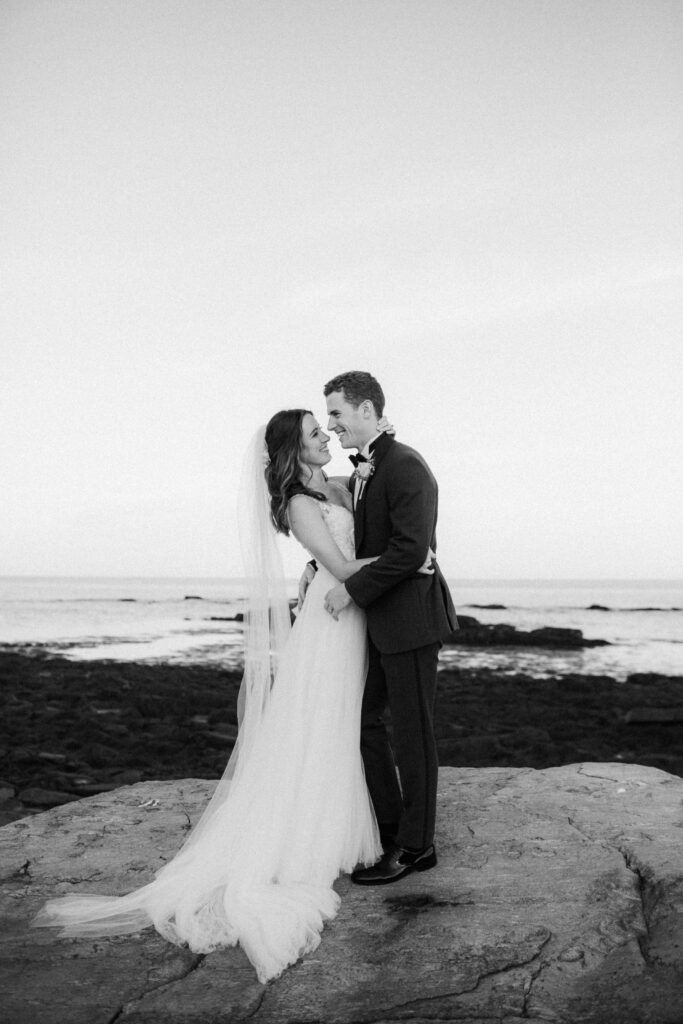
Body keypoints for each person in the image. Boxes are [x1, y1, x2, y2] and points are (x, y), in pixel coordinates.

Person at [33, 408, 408, 983]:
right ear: (293, 449)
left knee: (345, 725)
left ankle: (352, 822)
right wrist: (412, 561)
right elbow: (338, 566)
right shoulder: (299, 503)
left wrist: (340, 564)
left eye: (324, 426)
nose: (325, 436)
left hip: (350, 613)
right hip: (332, 623)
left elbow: (334, 554)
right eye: (314, 432)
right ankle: (313, 833)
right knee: (324, 723)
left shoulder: (336, 484)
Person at [320, 371, 458, 885]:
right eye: (329, 415)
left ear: (367, 411)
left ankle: (419, 848)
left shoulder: (405, 466)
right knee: (363, 721)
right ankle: (391, 826)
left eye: (337, 413)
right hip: (379, 621)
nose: (332, 425)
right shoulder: (364, 471)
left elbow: (411, 550)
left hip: (411, 620)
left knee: (414, 734)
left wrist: (349, 589)